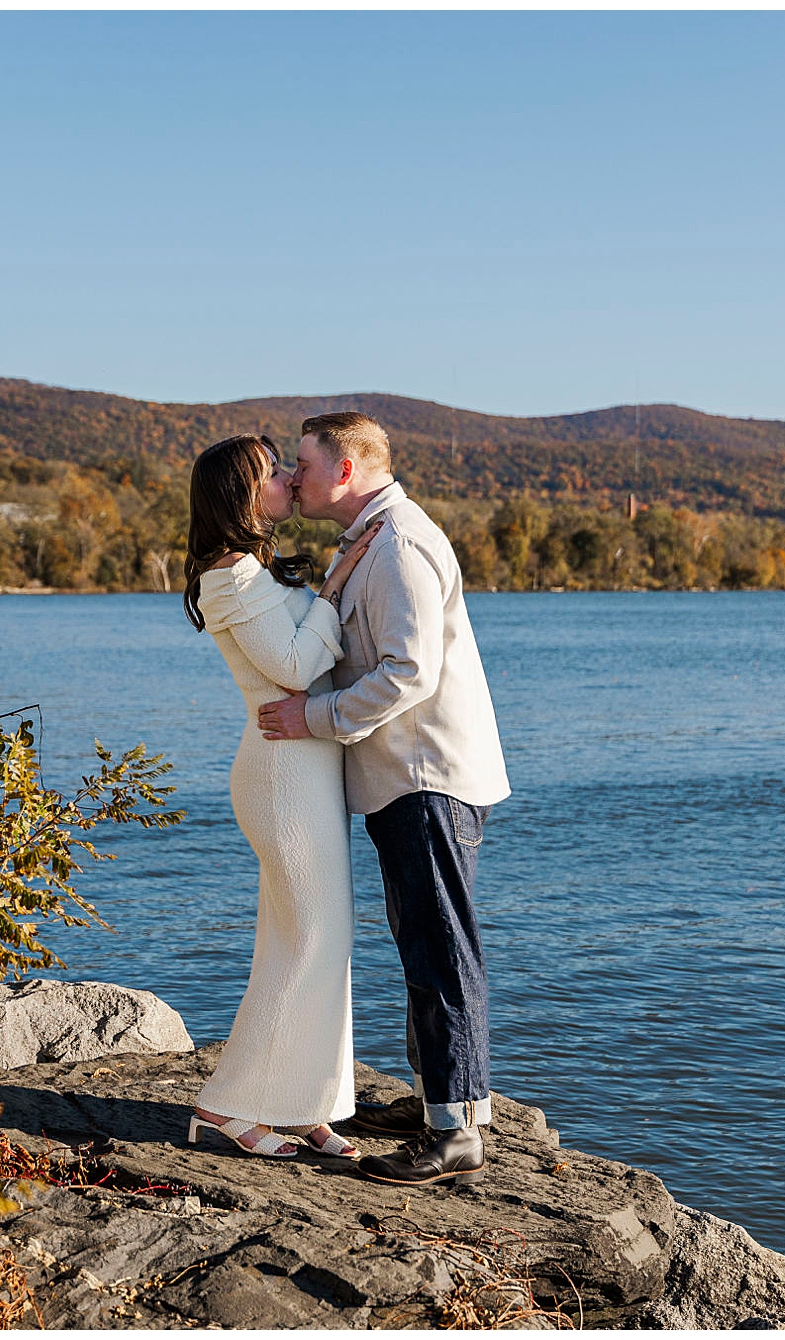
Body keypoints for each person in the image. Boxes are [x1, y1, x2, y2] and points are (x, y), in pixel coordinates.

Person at [258, 411, 511, 1188]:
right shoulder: (370, 537)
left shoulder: (398, 542)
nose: (293, 477)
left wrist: (314, 718)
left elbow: (409, 673)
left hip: (426, 775)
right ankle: (445, 1102)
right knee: (422, 944)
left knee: (439, 947)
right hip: (405, 776)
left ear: (343, 470)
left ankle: (458, 1132)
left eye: (302, 463)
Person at [183, 434, 385, 1160]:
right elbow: (297, 670)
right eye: (272, 474)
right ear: (241, 494)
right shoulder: (231, 576)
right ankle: (223, 1107)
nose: (286, 481)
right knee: (308, 944)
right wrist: (332, 593)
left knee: (314, 943)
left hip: (306, 772)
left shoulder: (254, 569)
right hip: (280, 775)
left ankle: (304, 1105)